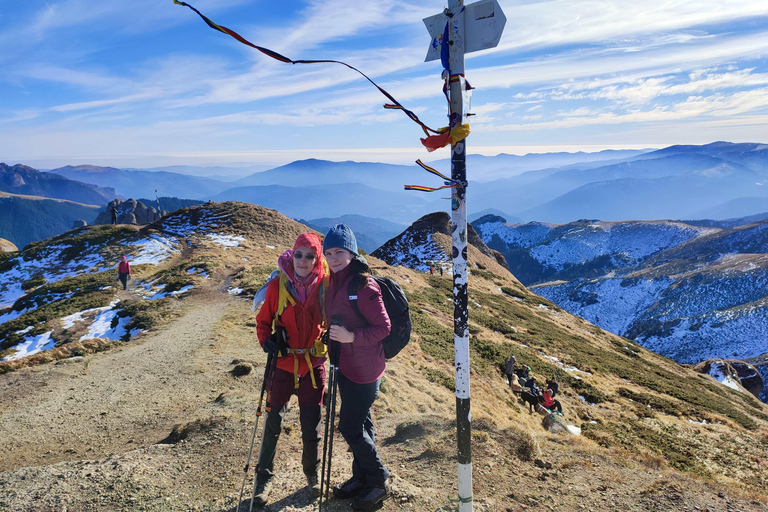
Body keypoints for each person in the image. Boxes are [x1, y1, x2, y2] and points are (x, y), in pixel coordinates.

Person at [252, 233, 329, 506]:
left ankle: (312, 472)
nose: (303, 261)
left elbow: (333, 319)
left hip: (312, 363)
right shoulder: (278, 286)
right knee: (273, 421)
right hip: (283, 363)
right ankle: (263, 479)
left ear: (317, 258)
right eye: (299, 255)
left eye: (310, 256)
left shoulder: (325, 286)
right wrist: (267, 342)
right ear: (291, 255)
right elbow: (263, 324)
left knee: (312, 422)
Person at [323, 224, 391, 511]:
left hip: (365, 371)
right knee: (362, 423)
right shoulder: (334, 281)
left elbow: (383, 327)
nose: (333, 258)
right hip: (345, 367)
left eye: (339, 251)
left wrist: (351, 337)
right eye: (328, 253)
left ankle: (379, 480)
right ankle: (361, 478)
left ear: (351, 252)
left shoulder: (363, 285)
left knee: (350, 427)